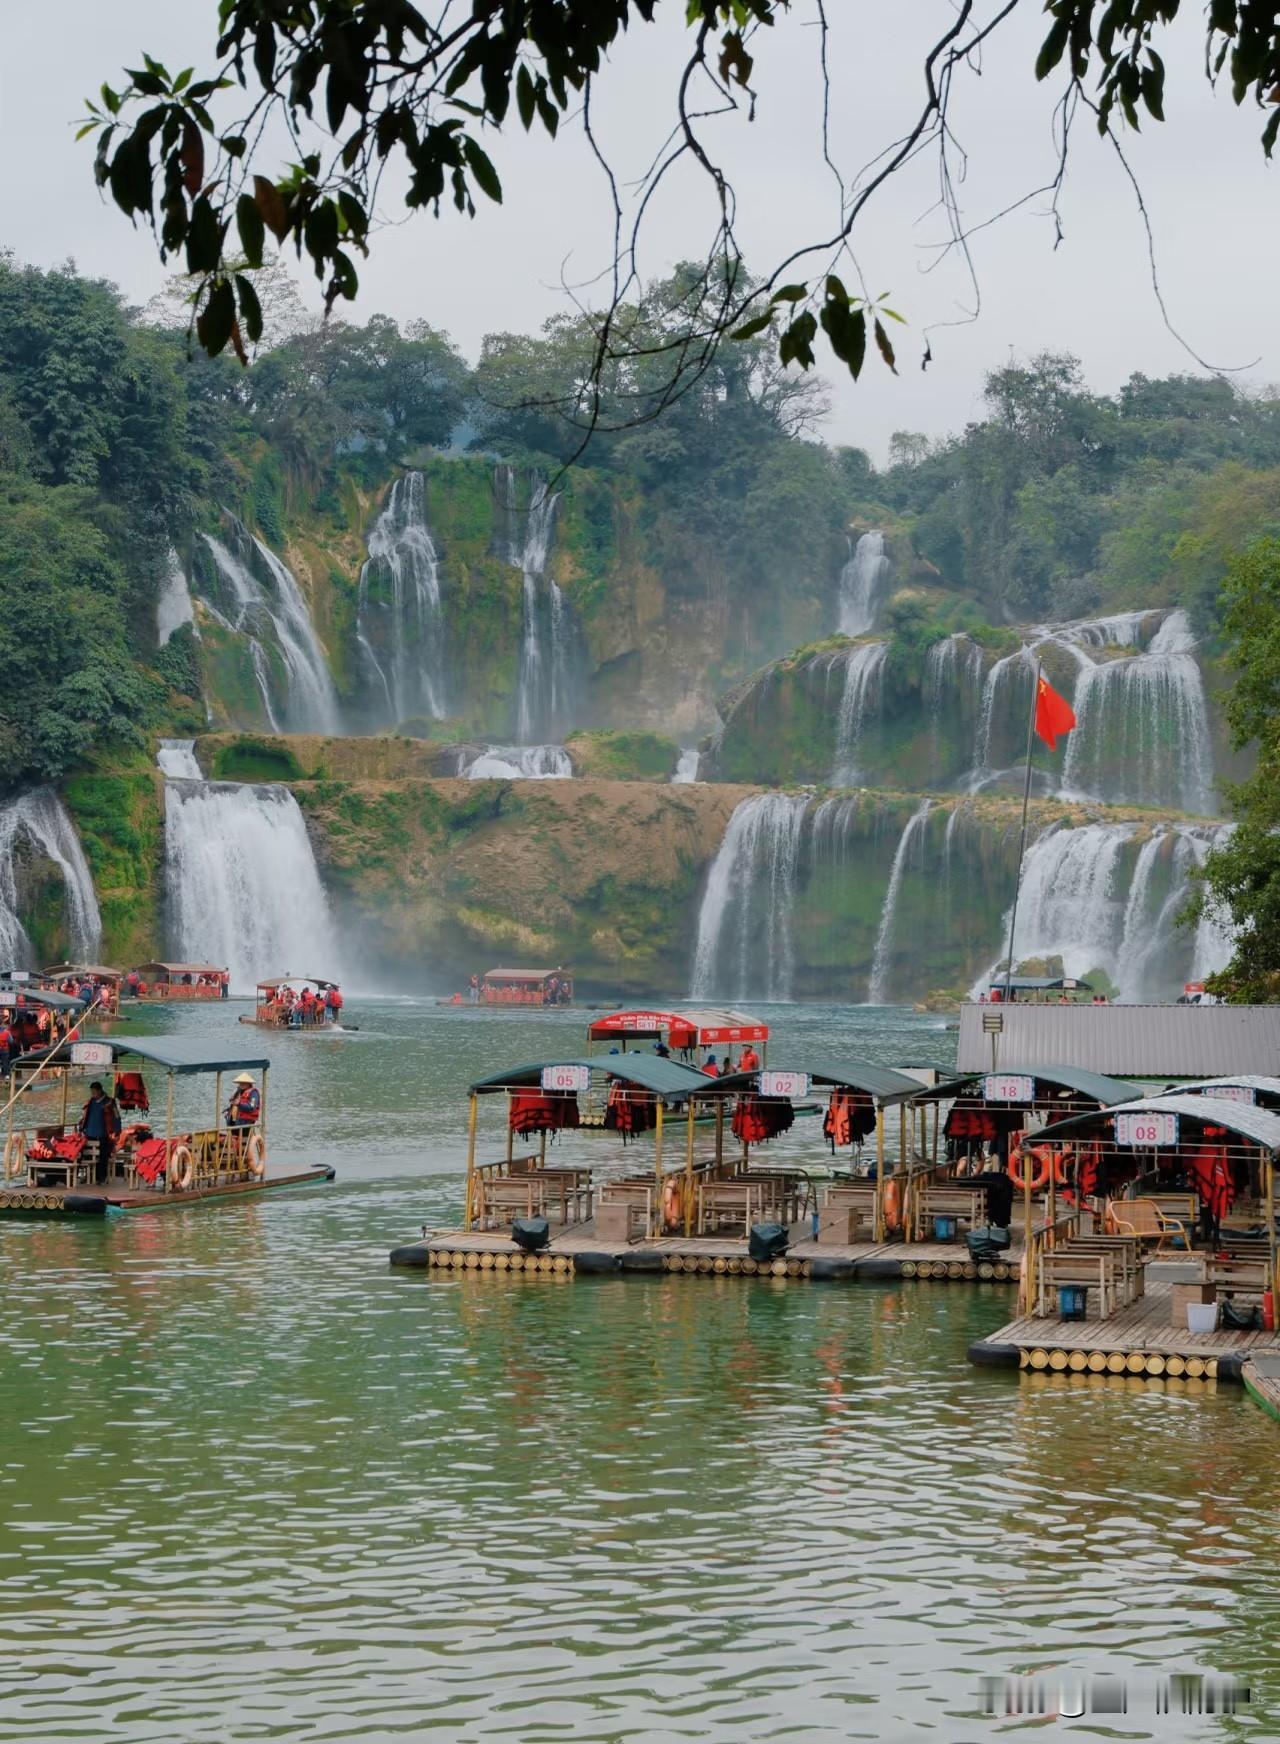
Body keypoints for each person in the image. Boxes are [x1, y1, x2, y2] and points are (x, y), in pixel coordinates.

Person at [78, 1080, 122, 1182]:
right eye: (91, 1091)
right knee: (82, 1153)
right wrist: (80, 1127)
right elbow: (83, 1117)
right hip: (89, 1135)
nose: (93, 1094)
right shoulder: (90, 1102)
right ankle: (86, 1176)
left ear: (100, 1091)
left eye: (94, 1091)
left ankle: (101, 1177)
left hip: (104, 1135)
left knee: (103, 1156)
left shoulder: (110, 1102)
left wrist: (116, 1132)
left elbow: (117, 1117)